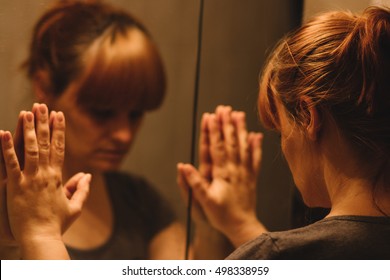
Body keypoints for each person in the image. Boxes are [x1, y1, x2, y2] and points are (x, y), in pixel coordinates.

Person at [178, 6, 390, 259]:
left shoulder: (274, 255)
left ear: (309, 116)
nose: (284, 147)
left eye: (281, 132)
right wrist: (240, 223)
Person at [0, 0, 188, 260]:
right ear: (42, 85)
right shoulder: (6, 203)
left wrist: (213, 223)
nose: (124, 135)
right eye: (102, 112)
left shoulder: (143, 203)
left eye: (136, 114)